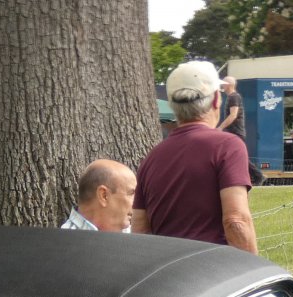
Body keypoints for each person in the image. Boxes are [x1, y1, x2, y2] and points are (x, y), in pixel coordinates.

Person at [131, 60, 257, 254]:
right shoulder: (227, 146)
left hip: (167, 272)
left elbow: (139, 229)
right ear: (216, 99)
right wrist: (253, 273)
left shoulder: (152, 157)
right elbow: (235, 220)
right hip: (213, 271)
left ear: (173, 105)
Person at [61, 159, 137, 232]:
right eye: (131, 193)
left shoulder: (138, 236)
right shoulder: (63, 242)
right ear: (104, 195)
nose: (137, 202)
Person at [218, 75, 263, 185]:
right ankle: (256, 176)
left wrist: (220, 128)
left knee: (238, 156)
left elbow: (233, 115)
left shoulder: (234, 97)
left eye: (223, 83)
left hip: (235, 131)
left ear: (228, 85)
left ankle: (258, 176)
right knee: (236, 155)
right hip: (233, 131)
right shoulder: (232, 97)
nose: (221, 85)